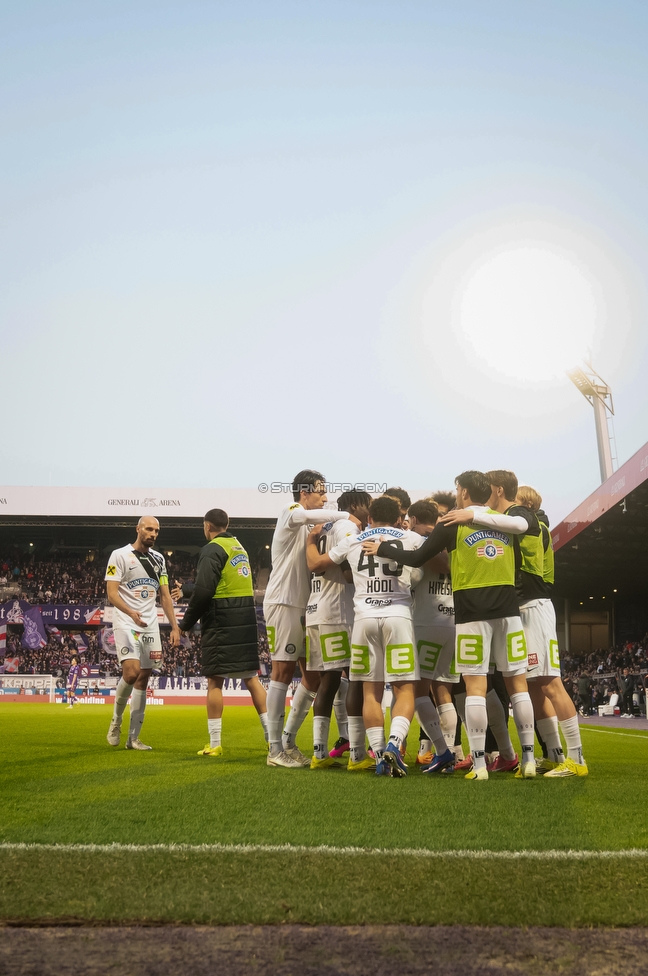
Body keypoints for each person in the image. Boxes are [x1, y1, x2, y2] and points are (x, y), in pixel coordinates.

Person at [363, 471, 536, 780]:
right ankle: (527, 760)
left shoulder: (452, 523)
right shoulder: (504, 520)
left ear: (465, 492)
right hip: (508, 610)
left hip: (469, 613)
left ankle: (479, 765)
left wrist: (383, 549)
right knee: (517, 685)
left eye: (459, 490)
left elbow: (417, 558)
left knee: (473, 688)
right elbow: (521, 546)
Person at [309, 495, 434, 778]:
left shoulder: (354, 539)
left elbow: (318, 563)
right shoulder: (411, 538)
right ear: (398, 518)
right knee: (404, 689)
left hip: (363, 619)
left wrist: (309, 541)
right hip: (399, 616)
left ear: (370, 518)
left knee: (370, 691)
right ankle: (394, 742)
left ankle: (379, 757)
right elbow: (432, 562)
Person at [263, 470, 350, 769]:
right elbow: (308, 516)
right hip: (283, 602)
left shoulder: (312, 526)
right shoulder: (291, 512)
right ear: (303, 492)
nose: (325, 496)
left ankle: (287, 742)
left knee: (312, 677)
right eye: (320, 490)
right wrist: (347, 515)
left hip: (306, 607)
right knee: (282, 672)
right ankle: (274, 749)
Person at [174, 508, 266, 756]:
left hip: (221, 620)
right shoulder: (239, 547)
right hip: (245, 618)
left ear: (207, 526)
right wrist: (187, 589)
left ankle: (214, 745)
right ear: (228, 524)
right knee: (251, 678)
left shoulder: (211, 549)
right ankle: (272, 740)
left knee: (215, 681)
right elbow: (221, 582)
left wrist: (184, 624)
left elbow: (206, 591)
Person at [514, 485, 587, 777]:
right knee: (534, 687)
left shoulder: (535, 527)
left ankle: (577, 759)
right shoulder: (535, 526)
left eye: (515, 501)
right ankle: (556, 754)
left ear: (525, 504)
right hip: (526, 608)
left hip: (536, 608)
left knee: (550, 684)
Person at [303, 490, 370, 769]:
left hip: (316, 609)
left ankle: (319, 754)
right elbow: (343, 569)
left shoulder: (325, 527)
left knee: (328, 681)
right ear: (355, 505)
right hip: (338, 612)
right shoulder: (348, 527)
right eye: (369, 505)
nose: (371, 511)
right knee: (356, 677)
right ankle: (357, 754)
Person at [105, 516, 181, 750]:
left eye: (157, 530)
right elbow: (111, 593)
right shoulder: (118, 555)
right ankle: (116, 720)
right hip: (126, 621)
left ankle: (133, 738)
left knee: (144, 678)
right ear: (138, 529)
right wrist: (131, 612)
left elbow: (165, 595)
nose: (153, 534)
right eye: (149, 529)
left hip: (150, 624)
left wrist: (175, 626)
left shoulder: (159, 560)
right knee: (131, 673)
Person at [407, 499, 458, 773]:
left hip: (427, 621)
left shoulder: (420, 541)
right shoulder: (454, 539)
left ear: (413, 519)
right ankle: (448, 754)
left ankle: (443, 751)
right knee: (443, 690)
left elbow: (414, 578)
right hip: (453, 619)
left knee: (417, 692)